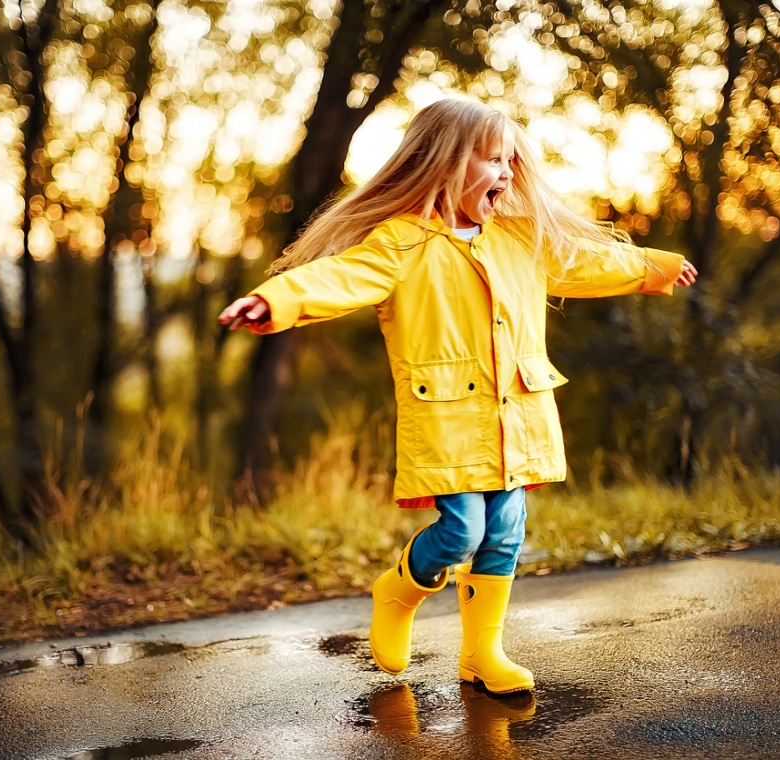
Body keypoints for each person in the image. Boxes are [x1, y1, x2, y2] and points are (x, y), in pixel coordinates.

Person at [219, 97, 697, 695]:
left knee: (505, 532)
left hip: (517, 413)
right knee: (463, 532)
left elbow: (587, 260)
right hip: (449, 419)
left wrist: (652, 268)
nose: (505, 173)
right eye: (491, 160)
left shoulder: (521, 240)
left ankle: (482, 654)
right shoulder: (404, 242)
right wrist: (277, 301)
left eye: (509, 162)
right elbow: (340, 277)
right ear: (444, 162)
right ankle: (398, 592)